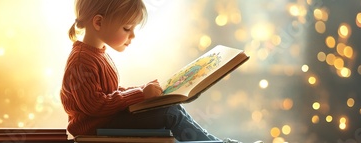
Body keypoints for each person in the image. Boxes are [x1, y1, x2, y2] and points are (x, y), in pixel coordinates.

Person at [60, 0, 244, 142]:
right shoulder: (81, 60)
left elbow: (110, 94)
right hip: (93, 127)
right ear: (98, 22)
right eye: (127, 28)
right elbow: (95, 105)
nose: (132, 35)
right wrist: (140, 94)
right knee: (169, 114)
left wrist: (143, 91)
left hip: (105, 120)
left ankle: (215, 142)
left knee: (170, 108)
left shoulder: (97, 54)